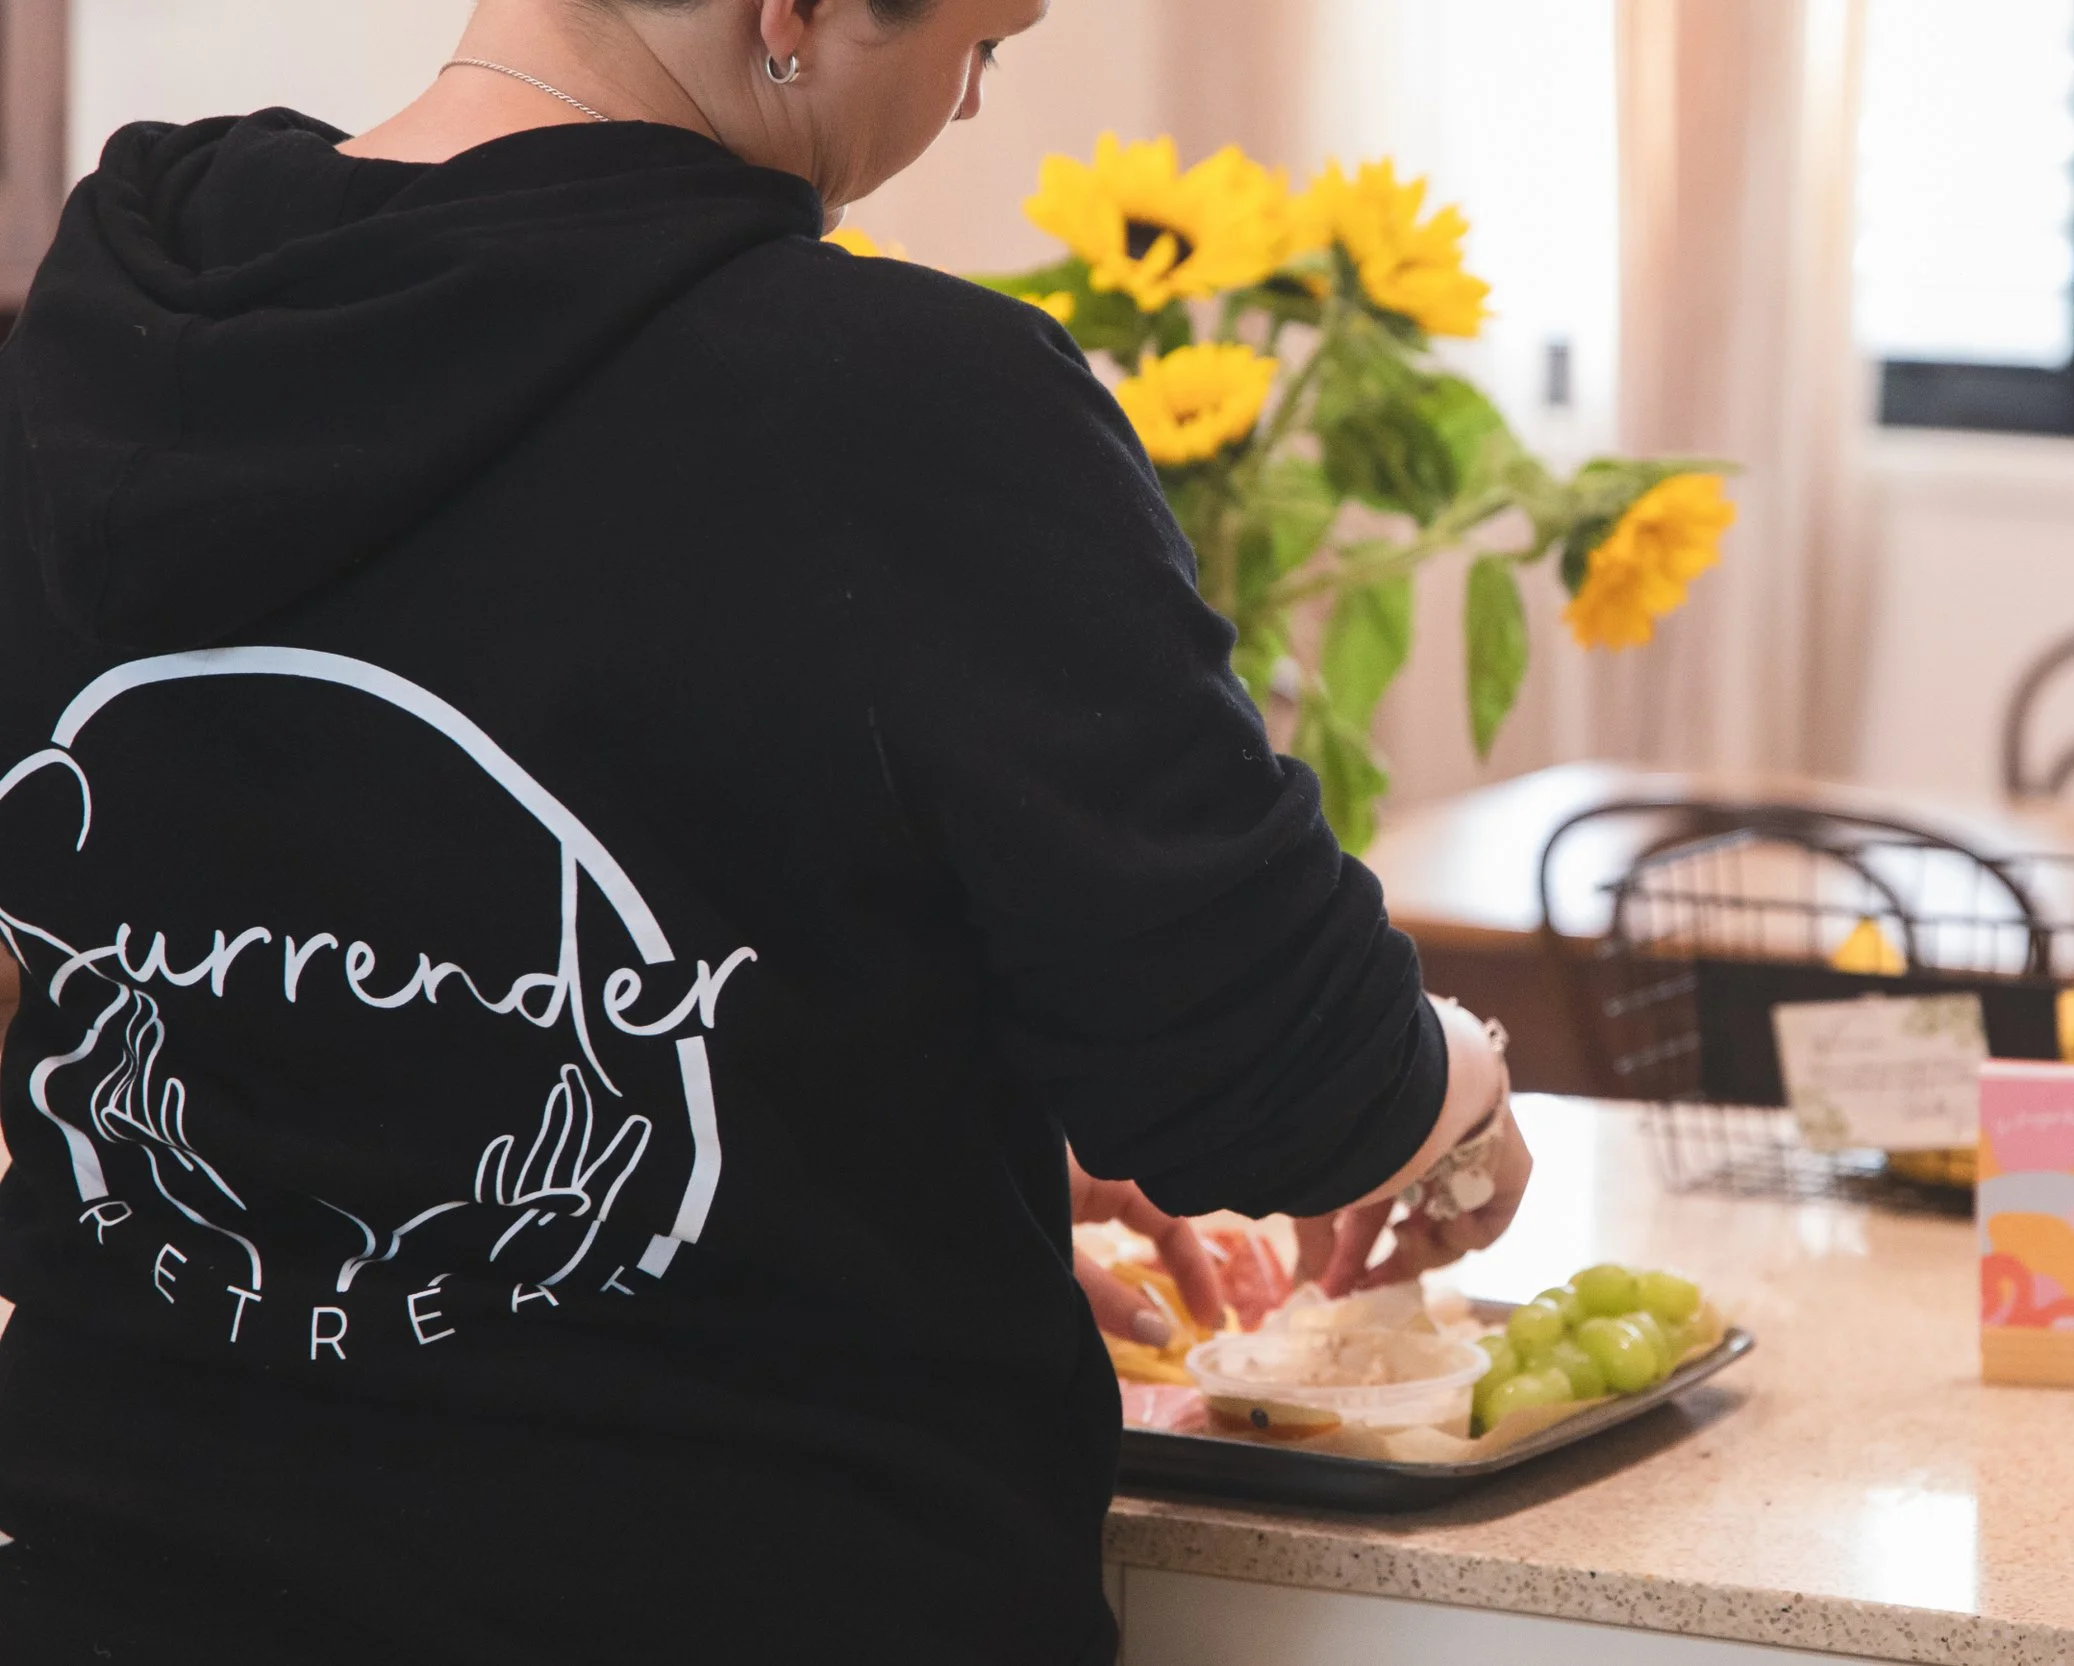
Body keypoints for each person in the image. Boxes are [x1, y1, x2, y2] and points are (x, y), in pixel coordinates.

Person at [0, 0, 1532, 1659]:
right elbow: (1293, 1080)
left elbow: (292, 982)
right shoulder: (905, 401)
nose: (965, 107)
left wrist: (927, 1177)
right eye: (984, 45)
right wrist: (1457, 1085)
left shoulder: (92, 353)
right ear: (793, 11)